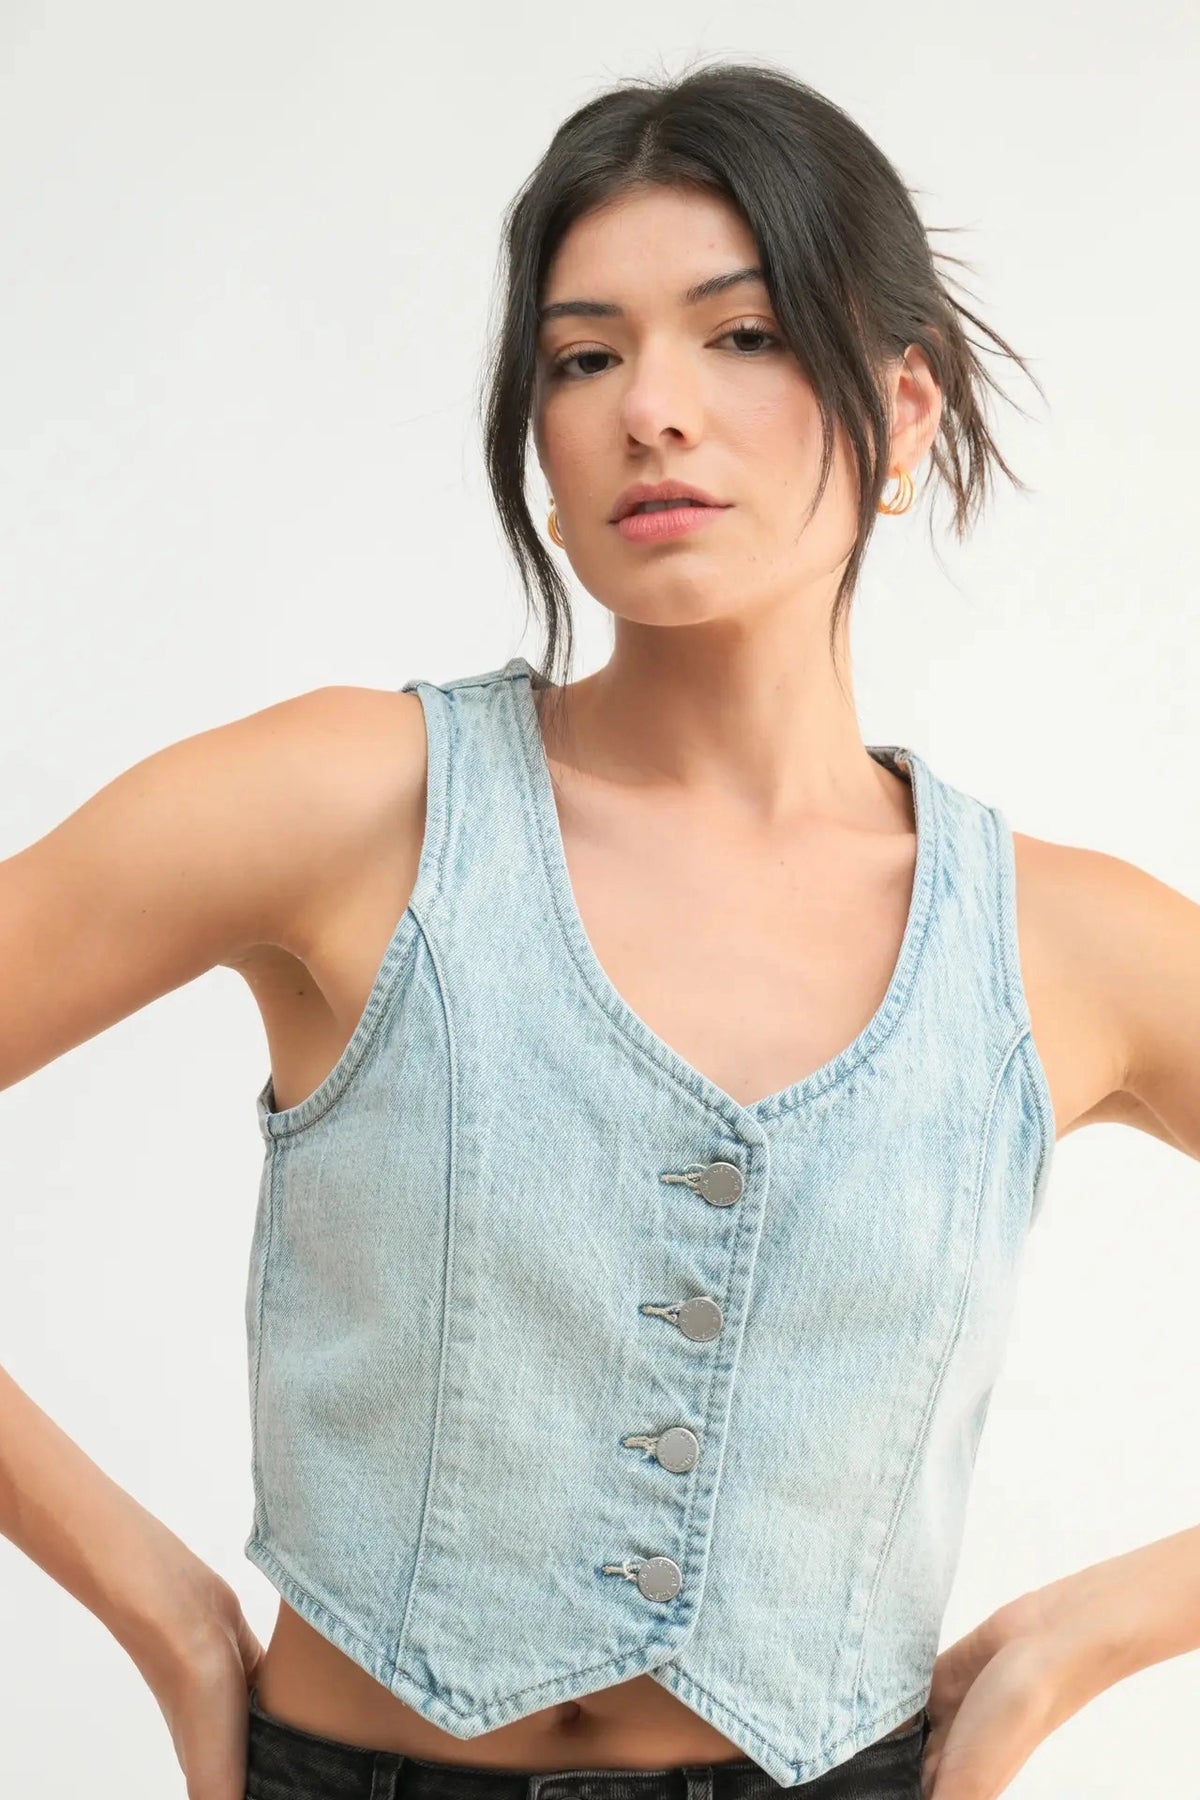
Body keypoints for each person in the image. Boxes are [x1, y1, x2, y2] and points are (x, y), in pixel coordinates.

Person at [2, 56, 1198, 1800]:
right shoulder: (353, 807)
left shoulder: (1062, 947)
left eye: (743, 334)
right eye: (583, 357)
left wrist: (1086, 1638)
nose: (654, 409)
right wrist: (159, 1610)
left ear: (903, 411)